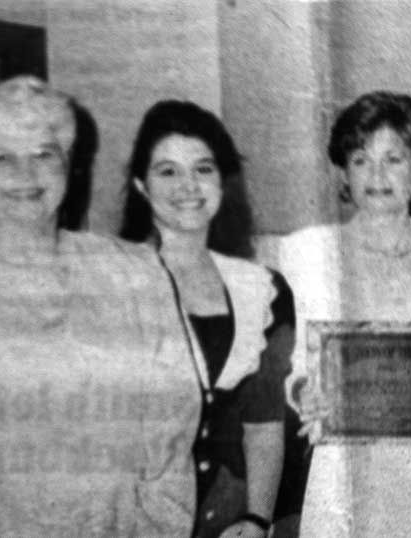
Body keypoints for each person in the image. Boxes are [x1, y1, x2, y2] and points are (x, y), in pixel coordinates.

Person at [0, 76, 202, 536]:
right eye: (1, 158)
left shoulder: (135, 272)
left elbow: (173, 430)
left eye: (43, 154)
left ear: (68, 166)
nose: (26, 175)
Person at [275, 91, 411, 536]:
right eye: (360, 159)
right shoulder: (306, 253)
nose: (376, 175)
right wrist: (304, 393)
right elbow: (294, 363)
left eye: (392, 159)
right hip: (344, 482)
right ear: (344, 171)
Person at [121, 100, 294, 538]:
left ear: (222, 180)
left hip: (230, 513)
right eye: (167, 171)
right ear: (141, 184)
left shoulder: (262, 288)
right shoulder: (112, 280)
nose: (188, 186)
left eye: (203, 169)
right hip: (136, 514)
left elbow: (264, 424)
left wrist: (257, 520)